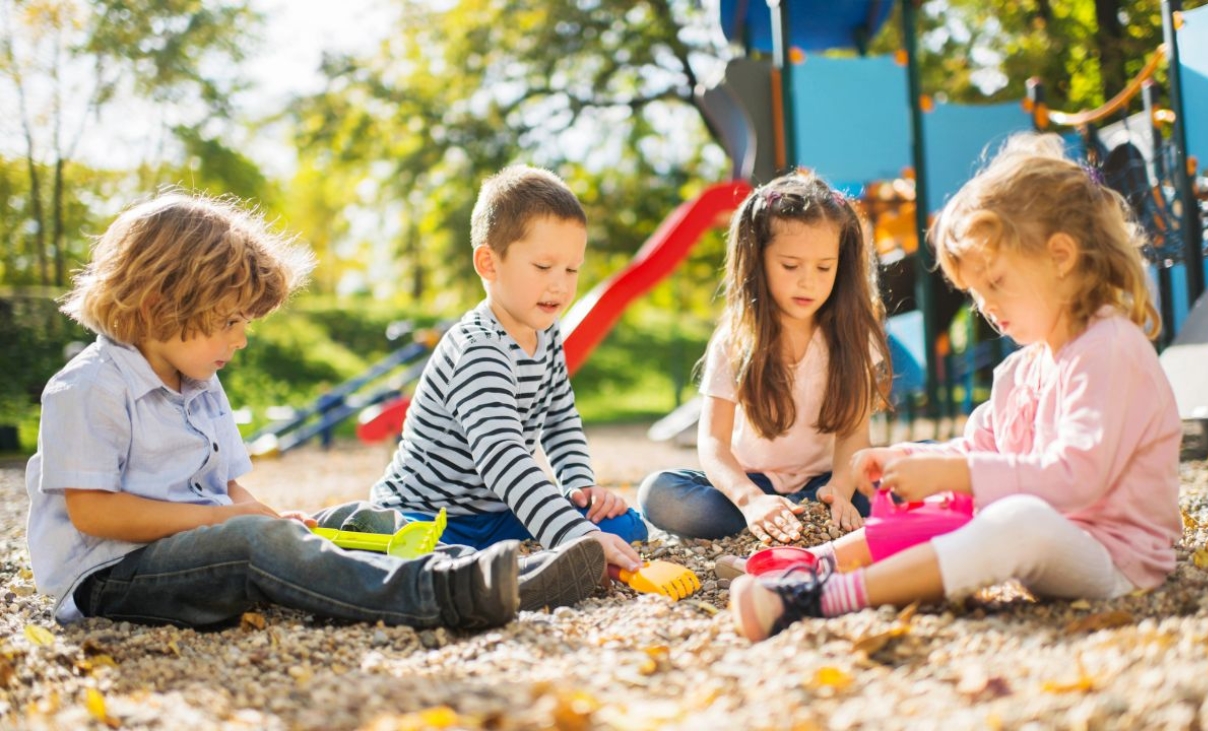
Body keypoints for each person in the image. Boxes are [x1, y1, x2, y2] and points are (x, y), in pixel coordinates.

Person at [25, 192, 606, 629]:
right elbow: (95, 513)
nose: (242, 340)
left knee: (349, 519)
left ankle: (486, 570)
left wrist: (277, 518)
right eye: (231, 322)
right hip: (114, 578)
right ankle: (448, 595)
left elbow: (229, 492)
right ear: (157, 306)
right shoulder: (90, 386)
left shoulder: (199, 381)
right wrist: (234, 525)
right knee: (256, 546)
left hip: (205, 546)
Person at [730, 133, 1184, 641]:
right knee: (941, 493)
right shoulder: (1022, 368)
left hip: (1114, 558)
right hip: (1044, 538)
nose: (986, 306)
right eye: (976, 292)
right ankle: (817, 563)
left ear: (1060, 257)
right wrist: (909, 457)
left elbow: (1077, 476)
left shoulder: (1109, 348)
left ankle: (823, 597)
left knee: (1012, 513)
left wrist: (955, 469)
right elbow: (980, 449)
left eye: (996, 283)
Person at [370, 166, 644, 573]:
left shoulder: (546, 336)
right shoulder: (479, 348)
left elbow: (559, 420)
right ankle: (484, 571)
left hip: (497, 511)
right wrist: (577, 535)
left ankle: (506, 561)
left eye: (572, 270)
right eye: (543, 267)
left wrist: (579, 486)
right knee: (425, 564)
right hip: (424, 514)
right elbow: (504, 457)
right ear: (489, 263)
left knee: (626, 526)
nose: (561, 285)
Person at [637, 172, 892, 543]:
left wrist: (841, 488)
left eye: (824, 267)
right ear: (758, 261)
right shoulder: (735, 340)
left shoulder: (854, 336)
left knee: (923, 469)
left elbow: (854, 434)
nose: (809, 281)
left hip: (828, 484)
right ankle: (778, 516)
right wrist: (751, 500)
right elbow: (713, 443)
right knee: (659, 493)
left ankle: (807, 513)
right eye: (790, 266)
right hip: (752, 483)